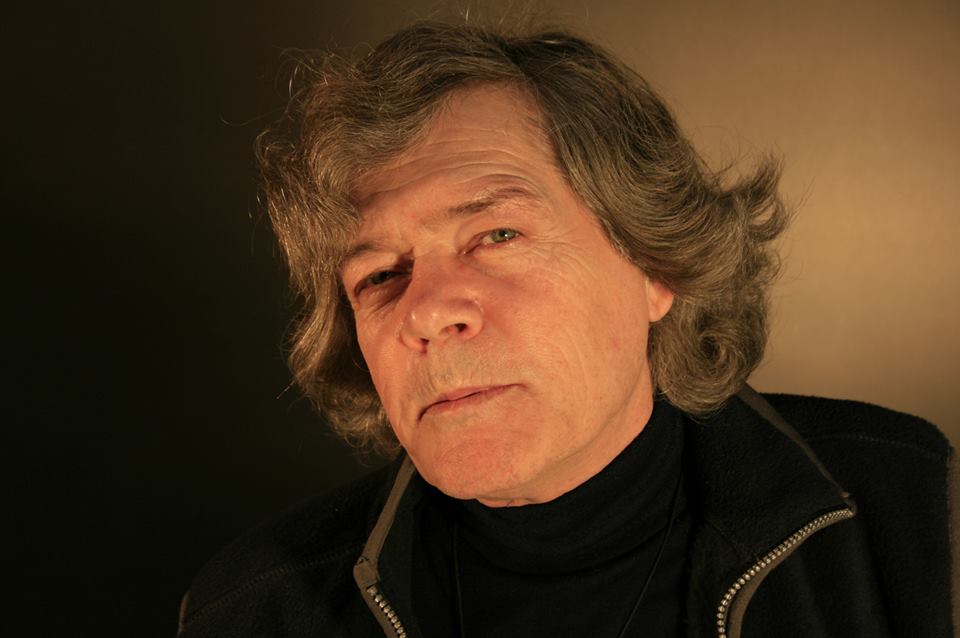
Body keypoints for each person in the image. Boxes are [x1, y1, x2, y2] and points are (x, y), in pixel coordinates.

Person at [177, 21, 957, 638]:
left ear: (656, 264)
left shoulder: (920, 514)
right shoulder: (253, 608)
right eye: (379, 275)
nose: (425, 311)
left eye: (496, 235)